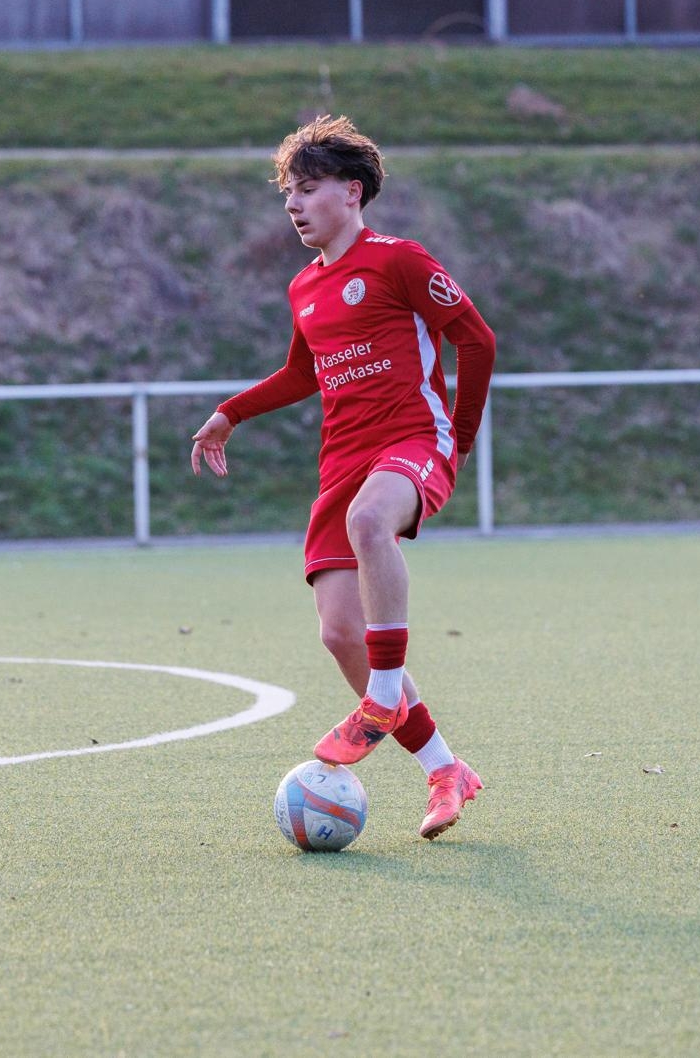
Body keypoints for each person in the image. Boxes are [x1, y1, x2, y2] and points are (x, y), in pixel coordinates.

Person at [190, 115, 497, 840]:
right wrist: (231, 413)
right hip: (342, 462)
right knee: (339, 634)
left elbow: (476, 340)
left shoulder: (399, 261)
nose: (293, 205)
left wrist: (458, 439)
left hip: (413, 439)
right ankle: (446, 771)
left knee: (369, 522)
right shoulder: (305, 286)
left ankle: (383, 695)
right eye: (287, 194)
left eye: (307, 189)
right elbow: (302, 373)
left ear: (352, 192)